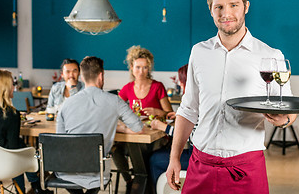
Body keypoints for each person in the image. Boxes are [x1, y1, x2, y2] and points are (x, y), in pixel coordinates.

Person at [166, 0, 297, 194]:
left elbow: (289, 110)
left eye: (233, 5)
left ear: (246, 6)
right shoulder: (199, 52)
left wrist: (282, 120)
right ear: (211, 10)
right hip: (200, 165)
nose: (226, 14)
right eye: (219, 7)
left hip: (246, 170)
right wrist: (174, 158)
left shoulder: (271, 56)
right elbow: (188, 110)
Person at [56, 56, 143, 194]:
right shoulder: (115, 101)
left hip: (67, 172)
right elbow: (138, 127)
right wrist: (117, 126)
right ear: (101, 76)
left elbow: (59, 139)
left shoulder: (67, 103)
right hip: (96, 173)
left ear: (82, 78)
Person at [0, 70, 52, 194]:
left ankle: (35, 187)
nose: (14, 88)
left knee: (17, 148)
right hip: (2, 166)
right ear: (5, 88)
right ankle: (33, 187)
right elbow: (13, 148)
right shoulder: (11, 114)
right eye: (12, 85)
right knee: (18, 150)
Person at [113, 45, 173, 192]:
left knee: (138, 148)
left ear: (149, 68)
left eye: (145, 67)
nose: (141, 71)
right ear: (132, 67)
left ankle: (142, 182)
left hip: (155, 136)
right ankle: (130, 181)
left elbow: (170, 113)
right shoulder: (127, 88)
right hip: (137, 133)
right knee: (114, 149)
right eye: (138, 67)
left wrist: (157, 111)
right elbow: (114, 109)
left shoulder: (157, 87)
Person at [149, 64, 195, 187]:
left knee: (154, 159)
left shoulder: (196, 101)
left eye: (181, 80)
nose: (179, 84)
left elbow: (190, 136)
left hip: (195, 159)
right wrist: (180, 115)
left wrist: (162, 127)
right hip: (196, 156)